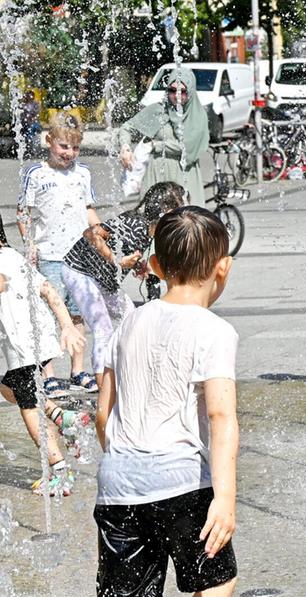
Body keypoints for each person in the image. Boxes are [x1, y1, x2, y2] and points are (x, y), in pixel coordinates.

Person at [92, 208, 239, 597]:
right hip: (182, 483)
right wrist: (225, 498)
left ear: (155, 266)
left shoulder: (127, 324)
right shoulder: (214, 331)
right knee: (216, 582)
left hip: (118, 482)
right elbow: (220, 414)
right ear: (223, 267)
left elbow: (103, 413)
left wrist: (124, 465)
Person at [61, 182, 184, 390]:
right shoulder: (135, 224)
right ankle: (104, 391)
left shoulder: (147, 231)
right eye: (179, 210)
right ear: (166, 212)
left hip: (103, 278)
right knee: (103, 329)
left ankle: (130, 374)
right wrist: (116, 260)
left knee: (132, 319)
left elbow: (122, 250)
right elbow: (91, 233)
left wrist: (136, 264)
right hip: (79, 271)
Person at [0, 228, 91, 496]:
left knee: (28, 406)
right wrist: (66, 326)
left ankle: (60, 469)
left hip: (22, 350)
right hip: (38, 343)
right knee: (8, 389)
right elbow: (48, 290)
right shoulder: (14, 256)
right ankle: (62, 417)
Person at [17, 111, 98, 398]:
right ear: (49, 141)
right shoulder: (36, 174)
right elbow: (23, 213)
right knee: (50, 315)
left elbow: (89, 209)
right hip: (49, 254)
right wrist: (30, 245)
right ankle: (48, 374)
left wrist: (99, 236)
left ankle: (78, 370)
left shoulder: (83, 173)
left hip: (80, 256)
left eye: (75, 147)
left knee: (77, 315)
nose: (70, 153)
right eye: (64, 146)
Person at [118, 67, 210, 206]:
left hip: (184, 175)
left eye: (182, 91)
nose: (177, 95)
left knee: (187, 221)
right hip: (156, 174)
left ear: (190, 91)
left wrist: (156, 145)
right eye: (172, 90)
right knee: (152, 220)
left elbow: (187, 147)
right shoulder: (158, 110)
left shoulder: (197, 116)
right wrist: (125, 147)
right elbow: (127, 128)